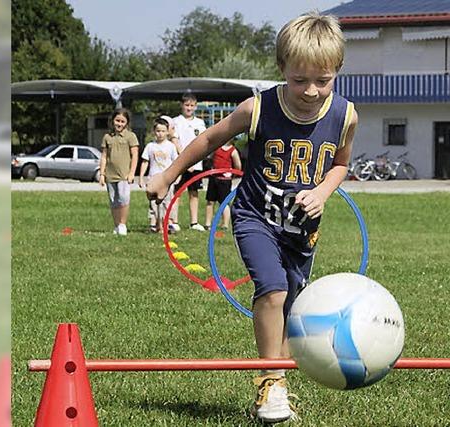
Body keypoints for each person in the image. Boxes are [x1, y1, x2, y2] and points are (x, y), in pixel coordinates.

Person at [147, 12, 357, 424]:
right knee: (273, 289)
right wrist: (168, 176)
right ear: (281, 69)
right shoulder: (257, 108)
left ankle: (274, 377)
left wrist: (322, 192)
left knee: (292, 304)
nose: (311, 91)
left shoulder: (345, 115)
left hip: (302, 228)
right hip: (254, 216)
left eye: (323, 80)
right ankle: (271, 379)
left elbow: (341, 164)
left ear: (338, 72)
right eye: (299, 80)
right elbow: (208, 138)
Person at [99, 108, 139, 236]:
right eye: (117, 121)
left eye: (122, 121)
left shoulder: (130, 136)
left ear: (126, 123)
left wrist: (132, 173)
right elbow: (104, 156)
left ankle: (123, 224)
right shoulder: (107, 137)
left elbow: (135, 155)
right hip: (111, 175)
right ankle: (116, 225)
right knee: (113, 200)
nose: (119, 124)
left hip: (124, 175)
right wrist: (102, 174)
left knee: (124, 198)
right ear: (113, 121)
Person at [173, 93, 207, 231]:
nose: (189, 108)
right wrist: (185, 160)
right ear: (182, 105)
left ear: (196, 106)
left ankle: (194, 222)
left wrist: (194, 161)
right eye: (187, 105)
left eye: (192, 105)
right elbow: (175, 140)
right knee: (177, 191)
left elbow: (203, 142)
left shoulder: (200, 123)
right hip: (180, 163)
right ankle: (173, 220)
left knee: (194, 192)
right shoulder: (176, 121)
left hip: (196, 164)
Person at [139, 117, 179, 233]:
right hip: (153, 179)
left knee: (167, 203)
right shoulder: (150, 146)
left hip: (167, 180)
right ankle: (155, 224)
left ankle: (166, 224)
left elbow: (176, 163)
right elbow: (145, 162)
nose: (160, 134)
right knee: (153, 203)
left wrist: (177, 177)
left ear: (167, 132)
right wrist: (141, 177)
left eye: (163, 131)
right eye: (158, 131)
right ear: (154, 132)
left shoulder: (171, 146)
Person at [204, 140, 242, 230]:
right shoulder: (216, 147)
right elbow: (211, 158)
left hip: (225, 180)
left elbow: (238, 165)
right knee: (210, 201)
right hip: (214, 177)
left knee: (224, 202)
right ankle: (207, 223)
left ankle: (225, 224)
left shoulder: (233, 150)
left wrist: (233, 174)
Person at [160, 115, 182, 231]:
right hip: (159, 175)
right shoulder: (155, 144)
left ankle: (171, 221)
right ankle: (159, 223)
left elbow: (180, 156)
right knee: (160, 201)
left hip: (171, 174)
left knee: (171, 198)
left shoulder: (173, 142)